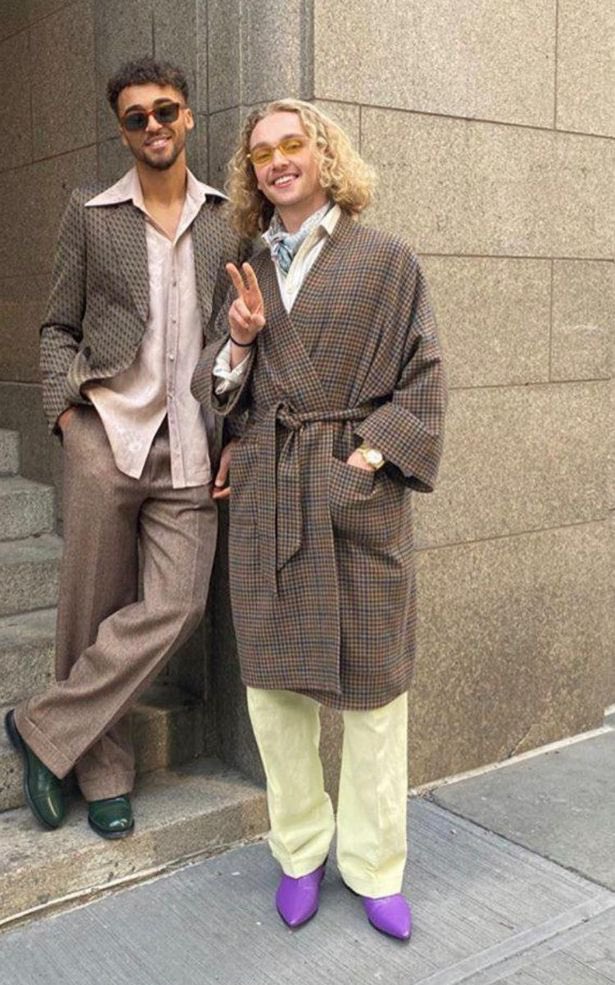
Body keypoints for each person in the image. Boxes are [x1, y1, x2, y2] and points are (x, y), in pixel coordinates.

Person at [191, 99, 447, 939]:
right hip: (269, 493)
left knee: (374, 697)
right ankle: (299, 851)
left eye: (291, 144)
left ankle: (374, 866)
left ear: (324, 155)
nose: (275, 161)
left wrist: (366, 462)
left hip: (352, 494)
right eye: (260, 152)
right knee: (273, 695)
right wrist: (236, 342)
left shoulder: (387, 260)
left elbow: (424, 378)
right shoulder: (243, 265)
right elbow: (215, 391)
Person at [4, 57, 246, 839]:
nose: (153, 126)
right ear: (122, 130)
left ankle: (41, 726)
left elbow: (237, 340)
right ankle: (104, 772)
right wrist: (67, 421)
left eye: (165, 110)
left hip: (191, 442)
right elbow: (57, 327)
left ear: (187, 116)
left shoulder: (225, 220)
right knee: (91, 611)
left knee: (178, 603)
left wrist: (235, 434)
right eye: (136, 117)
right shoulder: (91, 212)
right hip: (107, 433)